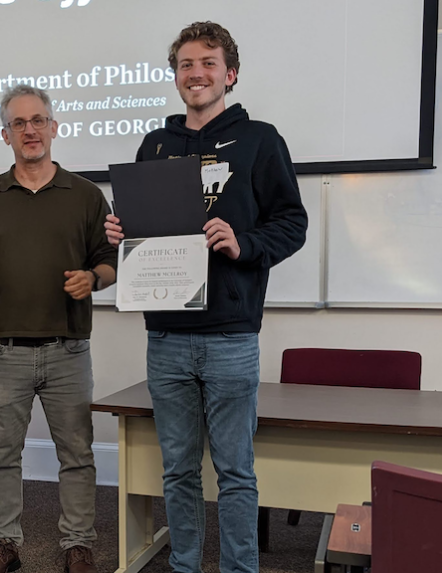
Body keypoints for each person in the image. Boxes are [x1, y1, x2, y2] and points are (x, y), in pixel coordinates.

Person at [105, 21, 308, 573]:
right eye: (186, 64)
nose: (197, 73)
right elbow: (145, 229)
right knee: (178, 470)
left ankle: (241, 568)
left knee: (236, 470)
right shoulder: (155, 144)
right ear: (175, 76)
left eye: (208, 63)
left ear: (230, 73)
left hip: (230, 335)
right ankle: (185, 566)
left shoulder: (261, 140)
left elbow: (293, 223)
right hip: (166, 334)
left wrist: (244, 243)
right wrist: (122, 235)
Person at [0, 84, 117, 573]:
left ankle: (78, 544)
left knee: (77, 453)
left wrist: (94, 278)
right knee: (1, 454)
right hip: (5, 352)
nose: (30, 130)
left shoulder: (85, 195)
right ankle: (5, 545)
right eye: (19, 123)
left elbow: (109, 261)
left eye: (38, 120)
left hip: (68, 350)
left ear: (55, 128)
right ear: (5, 135)